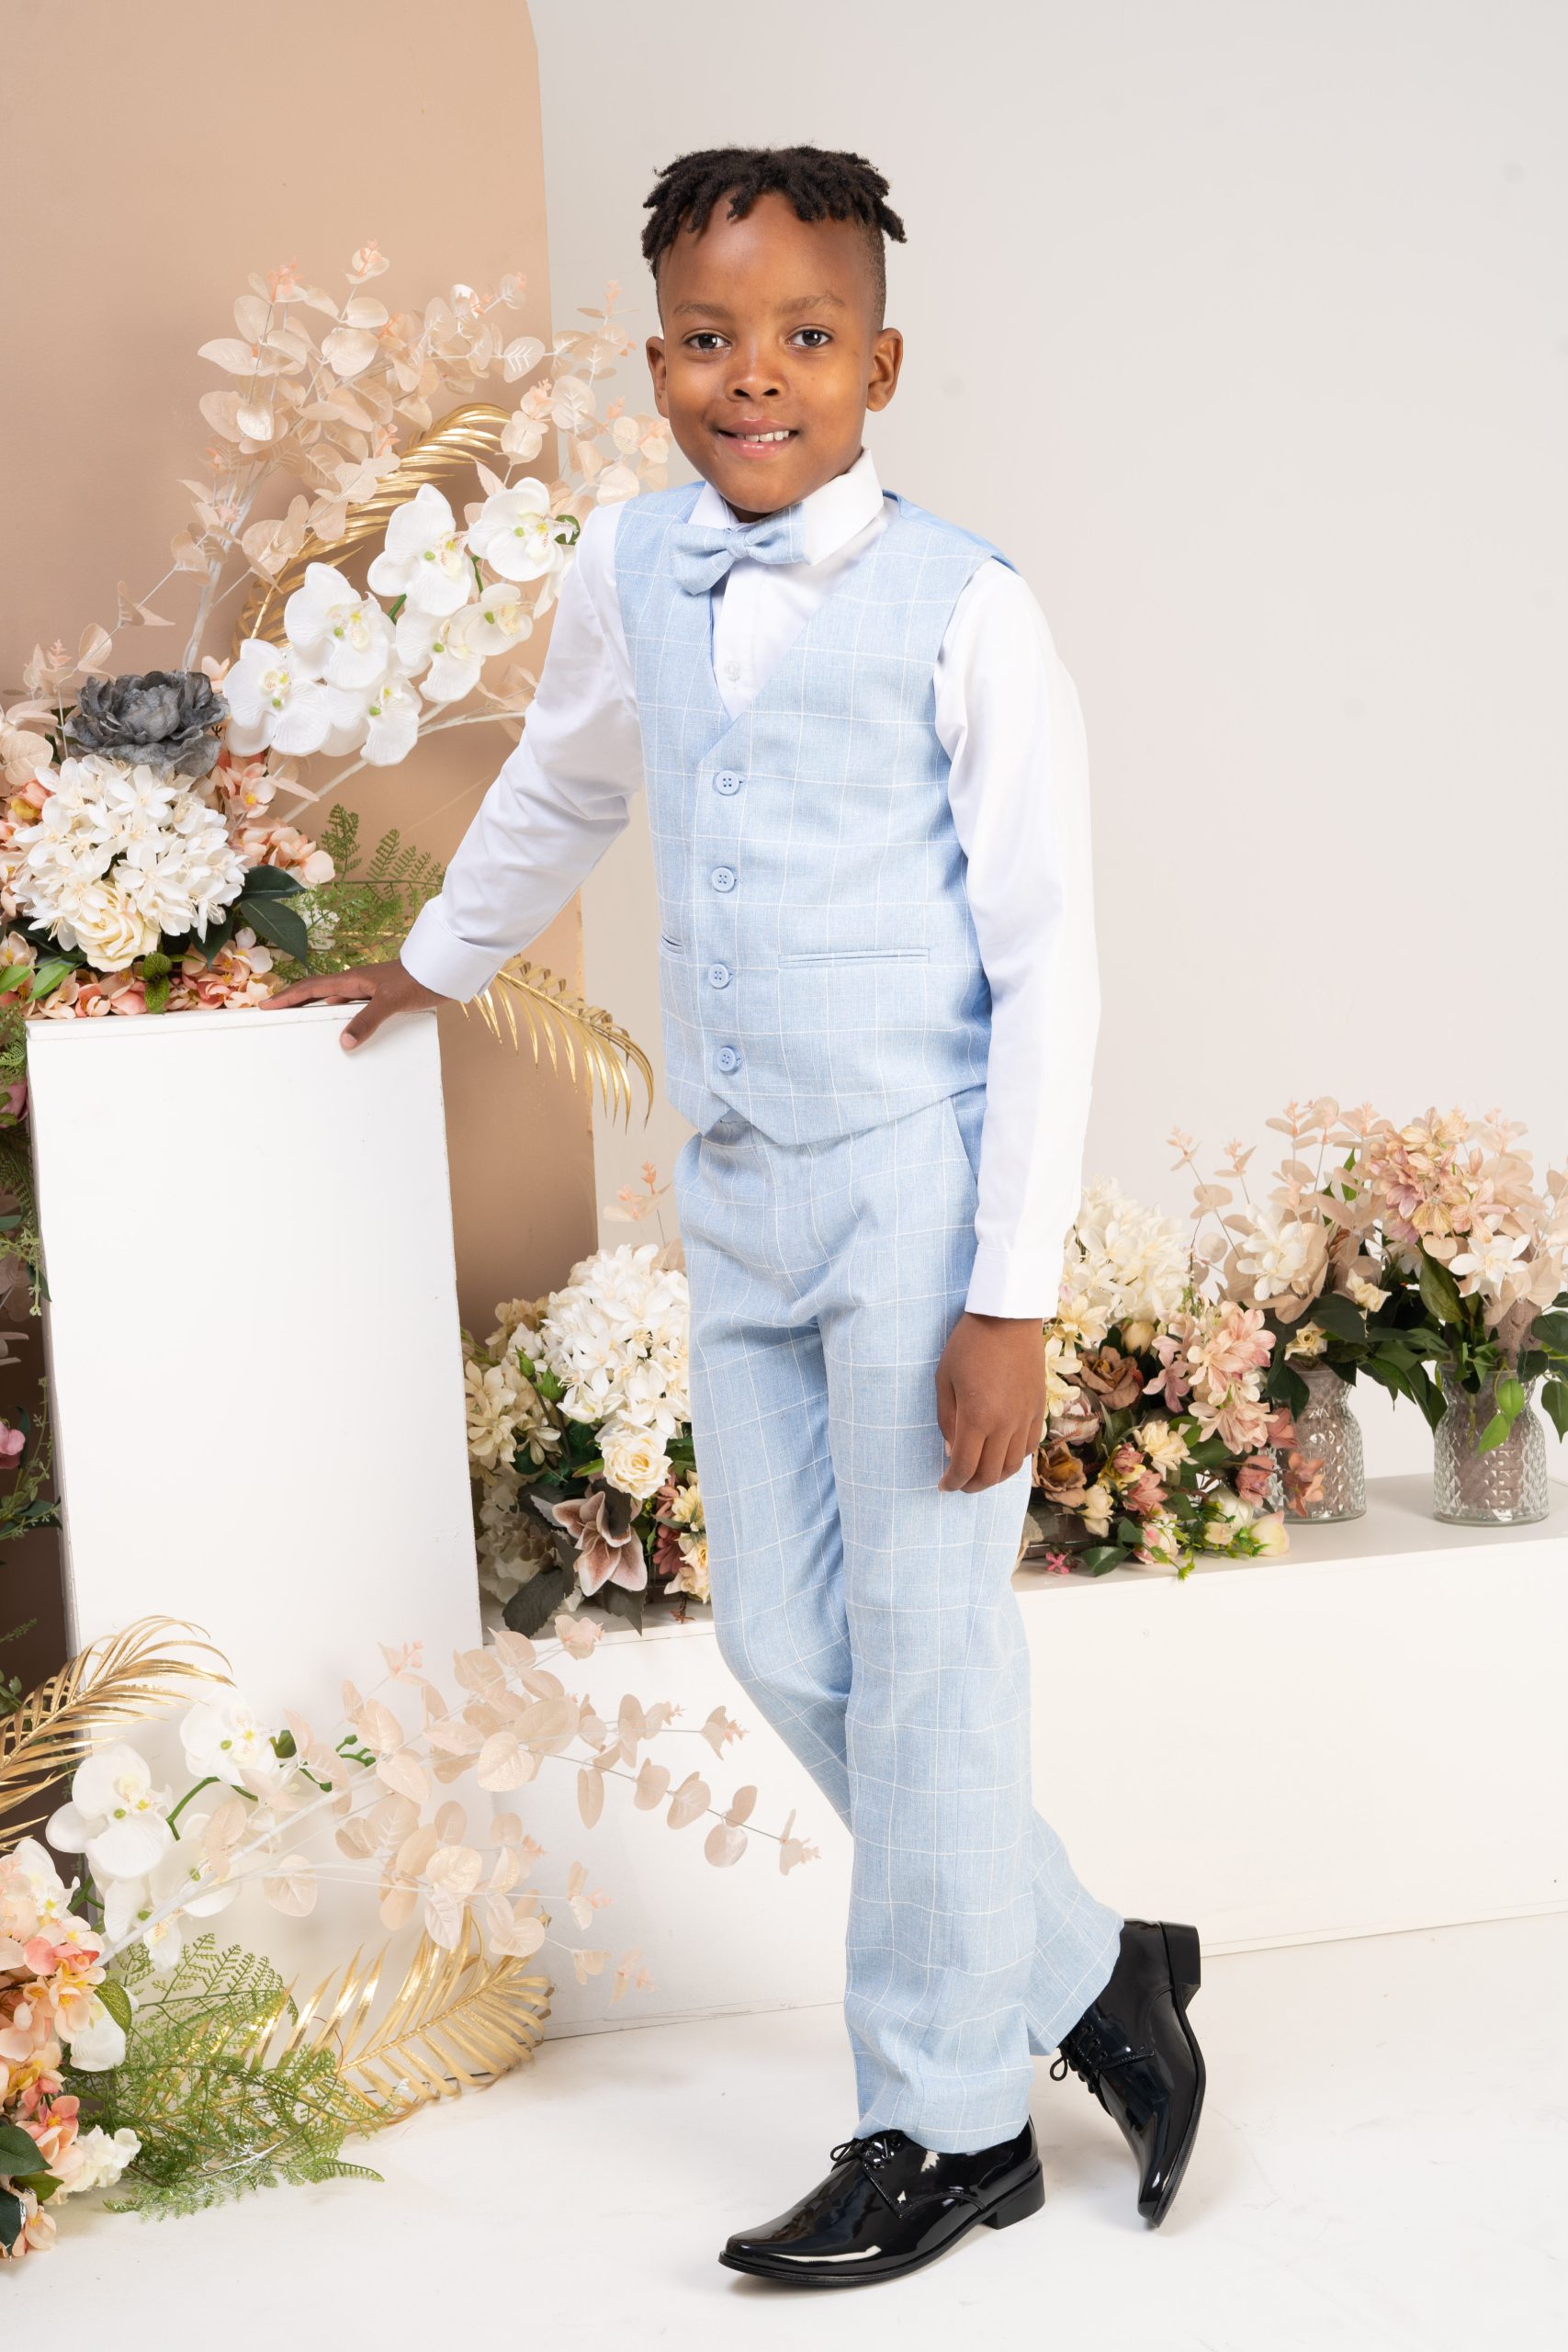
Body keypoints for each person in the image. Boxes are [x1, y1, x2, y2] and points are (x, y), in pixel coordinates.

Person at [269, 143, 1205, 2287]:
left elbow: (1046, 960)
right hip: (746, 1190)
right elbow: (564, 779)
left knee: (932, 1653)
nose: (751, 374)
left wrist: (1010, 1293)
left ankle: (944, 2123)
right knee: (788, 1639)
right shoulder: (633, 566)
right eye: (708, 338)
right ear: (656, 362)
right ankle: (1090, 1962)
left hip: (921, 1194)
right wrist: (433, 959)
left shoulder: (966, 604)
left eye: (801, 336)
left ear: (881, 361)